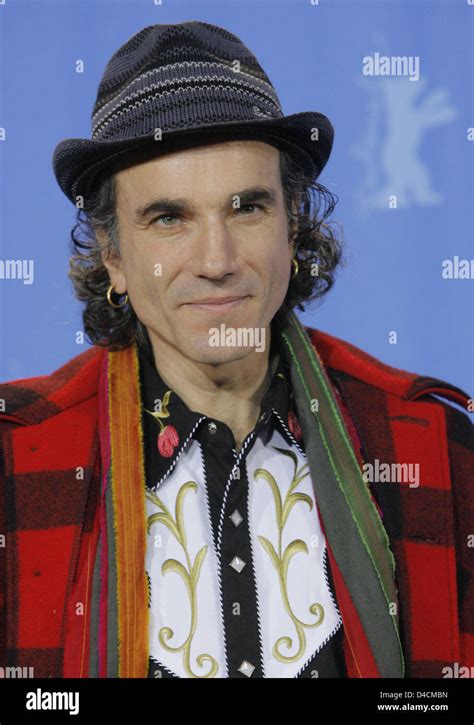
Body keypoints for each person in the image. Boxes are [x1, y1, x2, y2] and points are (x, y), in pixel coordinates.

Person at [0, 20, 472, 680]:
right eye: (169, 218)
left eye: (247, 207)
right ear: (113, 256)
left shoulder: (433, 449)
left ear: (293, 224)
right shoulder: (14, 462)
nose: (217, 262)